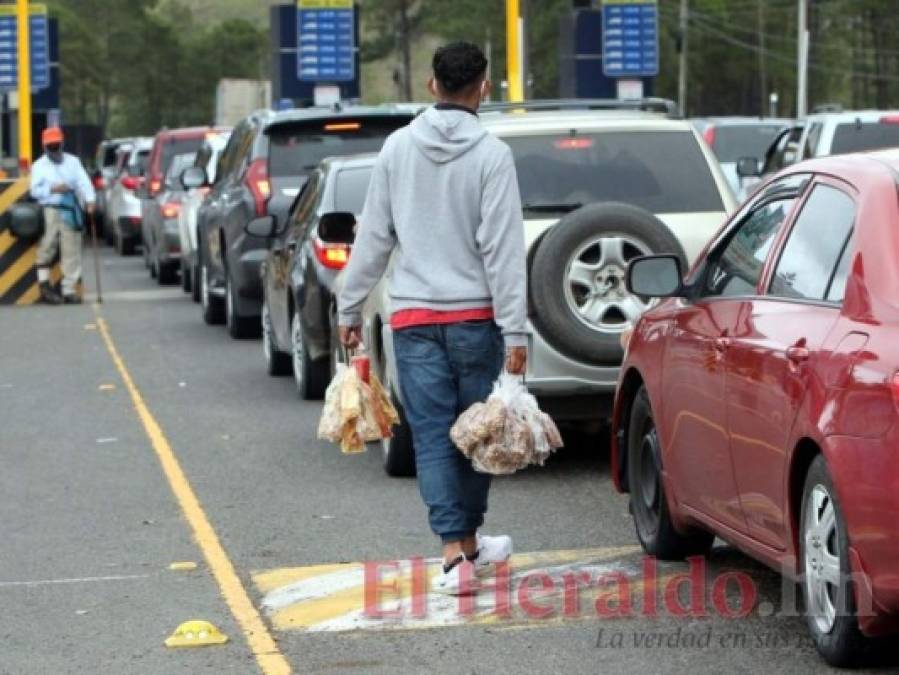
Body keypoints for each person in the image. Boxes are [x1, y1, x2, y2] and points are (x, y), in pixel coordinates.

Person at [338, 41, 527, 595]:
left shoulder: (398, 149)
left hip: (413, 320)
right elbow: (503, 251)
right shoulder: (493, 156)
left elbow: (373, 236)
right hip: (477, 319)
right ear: (484, 88)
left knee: (434, 437)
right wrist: (516, 331)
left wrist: (350, 307)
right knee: (478, 434)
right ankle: (464, 546)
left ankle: (458, 550)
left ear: (431, 86)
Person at [30, 126, 96, 305]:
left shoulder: (73, 162)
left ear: (62, 144)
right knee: (47, 246)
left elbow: (84, 182)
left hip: (70, 209)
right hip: (49, 210)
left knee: (71, 249)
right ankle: (44, 285)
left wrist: (90, 201)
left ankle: (68, 290)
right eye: (50, 146)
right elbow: (34, 191)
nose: (54, 149)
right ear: (45, 147)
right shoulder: (38, 166)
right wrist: (52, 189)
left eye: (56, 145)